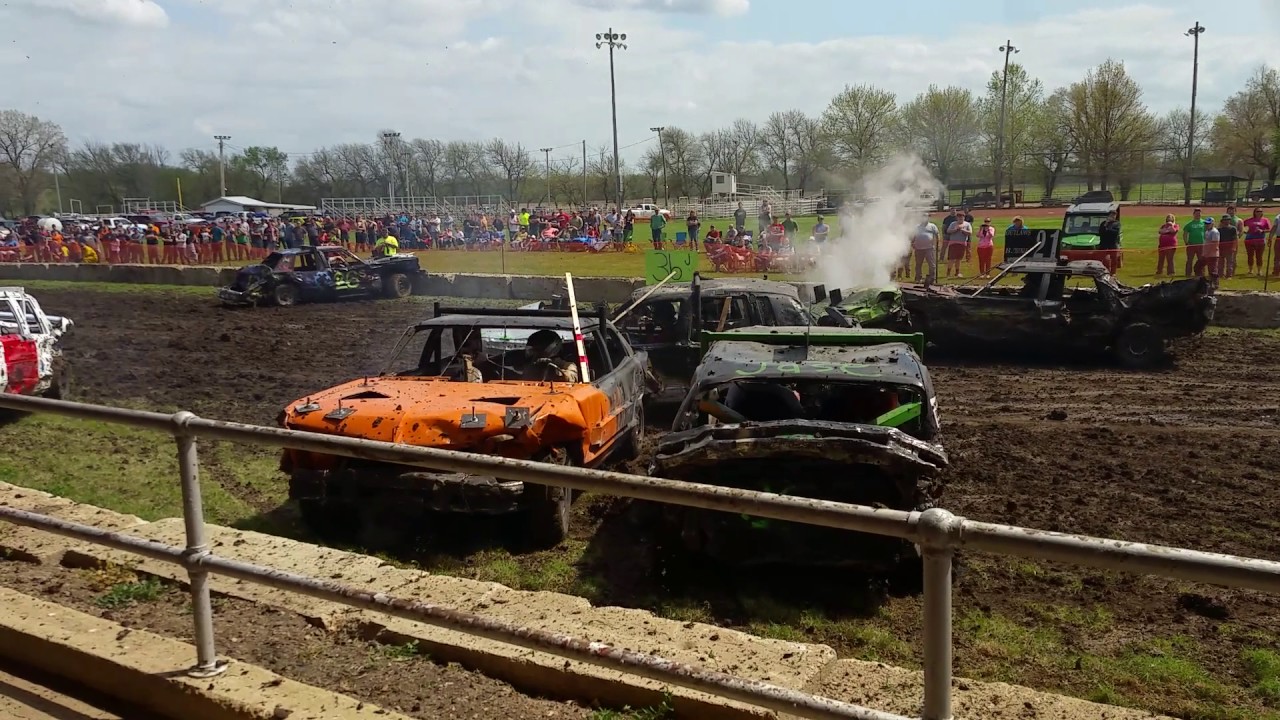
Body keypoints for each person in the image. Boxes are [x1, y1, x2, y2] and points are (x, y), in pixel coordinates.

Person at [911, 216, 939, 284]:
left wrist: (938, 244)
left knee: (932, 264)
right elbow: (913, 236)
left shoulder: (932, 226)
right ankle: (918, 278)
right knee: (918, 264)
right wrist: (912, 243)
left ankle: (932, 278)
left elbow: (937, 235)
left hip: (929, 248)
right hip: (918, 248)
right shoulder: (917, 227)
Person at [1244, 207, 1270, 275]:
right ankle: (1250, 270)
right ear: (1254, 212)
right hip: (1249, 240)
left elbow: (1269, 229)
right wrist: (1244, 230)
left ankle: (1259, 270)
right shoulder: (1249, 220)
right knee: (1250, 255)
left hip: (1260, 240)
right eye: (1257, 211)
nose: (1259, 213)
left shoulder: (1265, 220)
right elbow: (1243, 226)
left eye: (1260, 211)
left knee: (1259, 256)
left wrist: (1262, 231)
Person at [944, 213, 971, 277]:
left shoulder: (967, 224)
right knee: (951, 259)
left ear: (964, 218)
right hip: (953, 243)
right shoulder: (953, 224)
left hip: (962, 244)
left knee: (959, 259)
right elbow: (948, 231)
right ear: (957, 218)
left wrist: (962, 229)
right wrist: (956, 229)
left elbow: (970, 233)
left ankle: (957, 272)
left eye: (962, 218)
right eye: (959, 218)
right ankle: (948, 273)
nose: (960, 219)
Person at [1217, 205, 1241, 280]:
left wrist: (1234, 247)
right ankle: (1220, 274)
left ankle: (1229, 275)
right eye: (1225, 220)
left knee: (1229, 262)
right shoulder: (1219, 229)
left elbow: (1235, 238)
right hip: (1221, 248)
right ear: (1222, 221)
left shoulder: (1233, 229)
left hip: (1229, 248)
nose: (1226, 221)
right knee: (1220, 262)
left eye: (1227, 220)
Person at [1196, 217, 1220, 288]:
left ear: (1212, 224)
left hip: (1212, 255)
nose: (1206, 225)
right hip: (1206, 254)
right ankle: (1202, 282)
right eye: (1206, 223)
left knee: (1212, 271)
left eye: (1208, 224)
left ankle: (1215, 285)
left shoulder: (1214, 232)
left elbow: (1215, 244)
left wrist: (1208, 253)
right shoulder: (1207, 231)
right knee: (1198, 267)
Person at [1182, 208, 1205, 277]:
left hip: (1201, 244)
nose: (1198, 215)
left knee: (1201, 260)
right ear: (1194, 214)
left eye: (1199, 213)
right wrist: (1186, 242)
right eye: (1196, 213)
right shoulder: (1189, 224)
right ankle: (1188, 273)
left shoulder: (1204, 223)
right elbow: (1185, 233)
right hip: (1192, 244)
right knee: (1189, 260)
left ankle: (1201, 273)